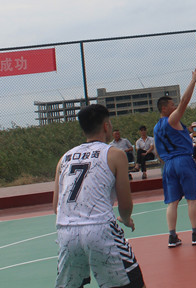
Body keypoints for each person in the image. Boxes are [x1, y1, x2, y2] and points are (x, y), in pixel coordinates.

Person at [54, 104, 145, 288]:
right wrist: (126, 219)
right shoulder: (115, 154)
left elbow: (56, 205)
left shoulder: (64, 158)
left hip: (66, 232)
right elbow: (125, 204)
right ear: (106, 126)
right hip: (100, 229)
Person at [153, 66, 196, 248]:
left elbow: (157, 151)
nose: (175, 106)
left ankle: (172, 236)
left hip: (168, 164)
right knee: (191, 199)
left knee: (172, 202)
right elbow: (185, 101)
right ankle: (195, 234)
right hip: (183, 160)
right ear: (164, 108)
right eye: (172, 105)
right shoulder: (172, 120)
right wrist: (193, 81)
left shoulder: (156, 128)